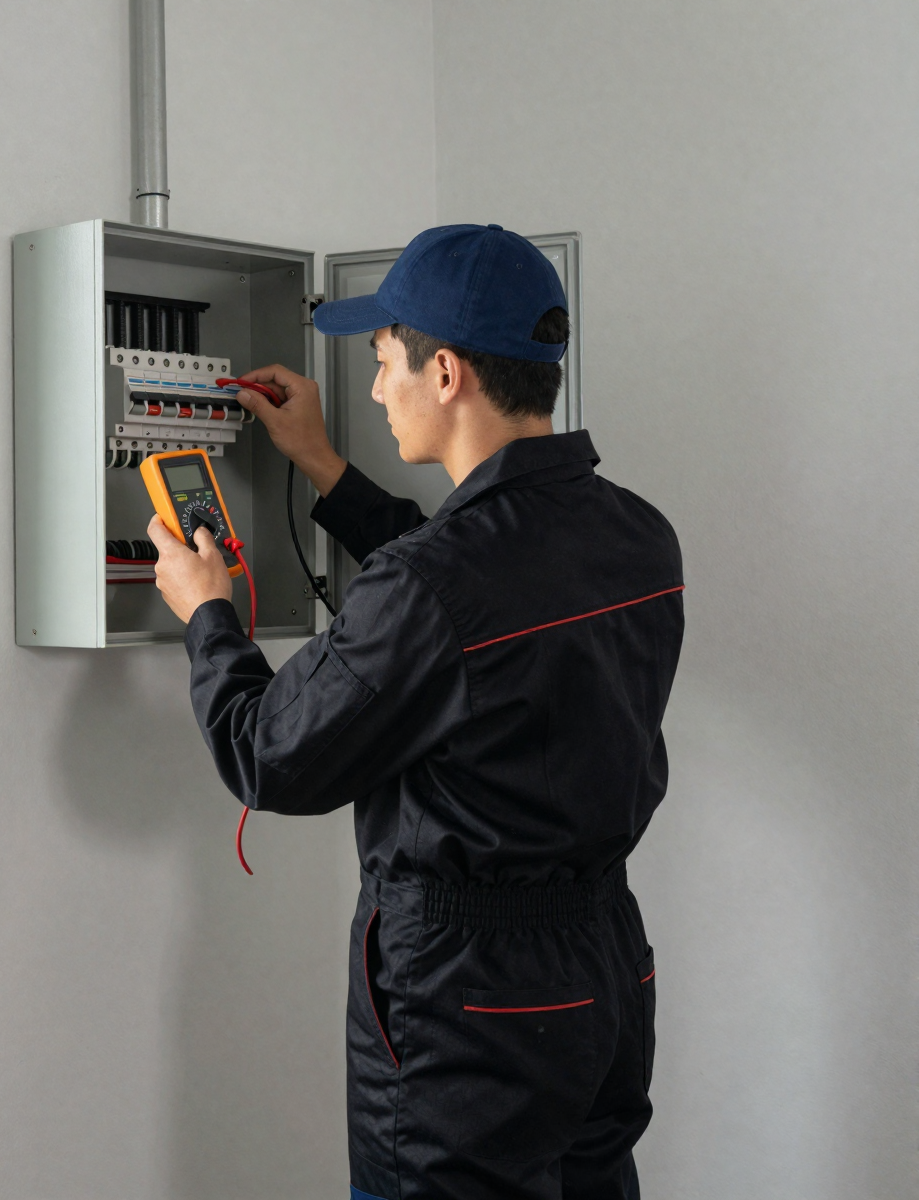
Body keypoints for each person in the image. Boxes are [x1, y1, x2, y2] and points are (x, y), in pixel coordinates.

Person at [148, 224, 683, 1200]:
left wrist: (206, 612)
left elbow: (268, 755)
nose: (369, 387)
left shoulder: (433, 585)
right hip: (604, 965)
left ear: (443, 373)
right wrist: (320, 467)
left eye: (381, 358)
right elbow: (476, 590)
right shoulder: (637, 535)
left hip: (468, 993)